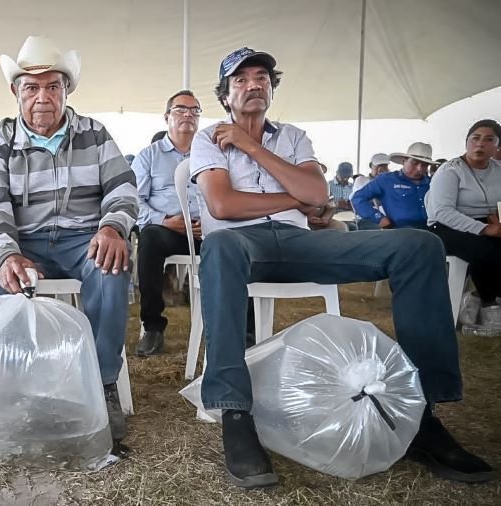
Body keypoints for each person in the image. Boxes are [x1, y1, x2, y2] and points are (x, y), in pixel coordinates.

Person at [191, 46, 493, 488]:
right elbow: (223, 203)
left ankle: (421, 413)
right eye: (240, 80)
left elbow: (317, 191)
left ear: (272, 87)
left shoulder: (292, 136)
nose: (253, 84)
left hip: (299, 242)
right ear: (225, 95)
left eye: (262, 78)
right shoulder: (208, 137)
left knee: (418, 245)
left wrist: (252, 148)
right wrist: (296, 197)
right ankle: (235, 412)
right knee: (218, 247)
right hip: (240, 246)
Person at [0, 36, 138, 441]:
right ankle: (16, 382)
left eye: (52, 86)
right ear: (16, 93)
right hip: (24, 242)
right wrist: (7, 255)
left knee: (112, 266)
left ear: (66, 90)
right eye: (31, 87)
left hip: (84, 239)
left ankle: (102, 384)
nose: (42, 97)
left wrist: (113, 226)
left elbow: (123, 187)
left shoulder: (94, 134)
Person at [132, 90, 202, 356]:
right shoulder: (149, 156)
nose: (188, 115)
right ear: (167, 117)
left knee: (238, 242)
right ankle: (152, 327)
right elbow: (134, 202)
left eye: (194, 110)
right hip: (167, 230)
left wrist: (210, 222)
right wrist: (164, 221)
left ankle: (246, 331)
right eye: (181, 109)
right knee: (149, 238)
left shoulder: (212, 154)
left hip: (205, 230)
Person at [426, 119, 501, 307]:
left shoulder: (499, 170)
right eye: (475, 138)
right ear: (467, 142)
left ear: (497, 147)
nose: (480, 143)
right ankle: (488, 302)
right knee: (486, 251)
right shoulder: (450, 171)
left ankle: (486, 300)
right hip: (446, 227)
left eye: (489, 139)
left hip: (489, 223)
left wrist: (497, 220)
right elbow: (442, 212)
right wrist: (485, 229)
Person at [352, 143, 437, 229]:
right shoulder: (386, 180)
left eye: (424, 165)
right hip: (399, 233)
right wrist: (379, 218)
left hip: (431, 233)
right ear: (404, 161)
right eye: (414, 163)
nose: (419, 168)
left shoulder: (433, 183)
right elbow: (358, 198)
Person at [350, 153, 390, 230]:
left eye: (384, 167)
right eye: (378, 166)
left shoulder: (389, 181)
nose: (380, 170)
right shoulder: (361, 180)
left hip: (387, 219)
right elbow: (373, 200)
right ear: (371, 165)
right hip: (369, 219)